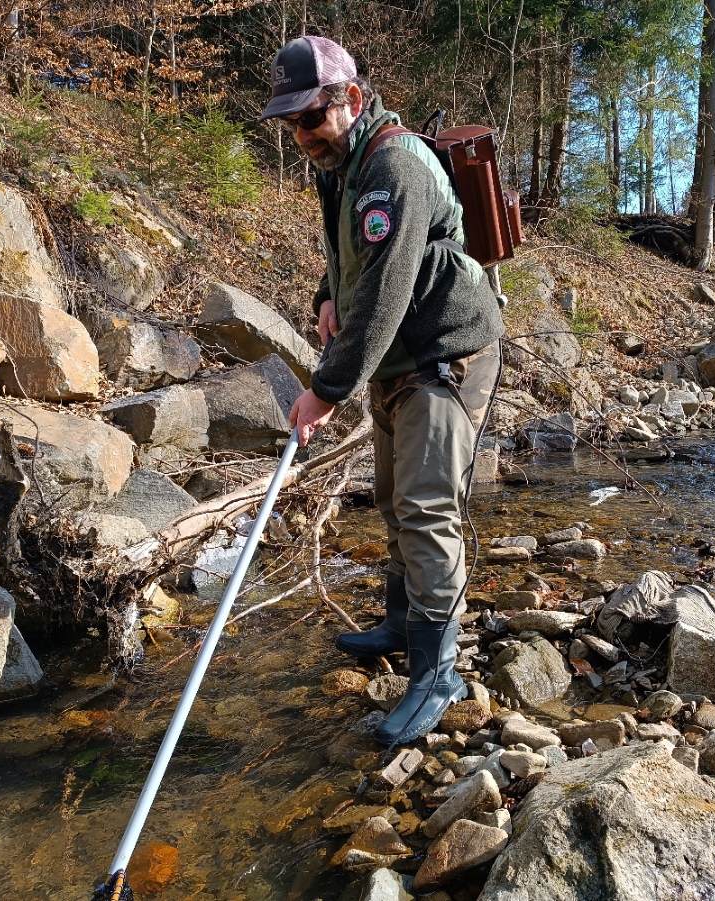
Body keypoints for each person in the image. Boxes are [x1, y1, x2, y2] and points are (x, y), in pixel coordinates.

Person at [260, 36, 505, 746]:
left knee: (427, 510)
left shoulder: (393, 166)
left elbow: (388, 286)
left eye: (312, 117)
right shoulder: (342, 166)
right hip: (397, 359)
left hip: (444, 353)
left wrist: (326, 390)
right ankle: (402, 624)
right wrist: (324, 295)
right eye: (292, 123)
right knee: (395, 499)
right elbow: (353, 256)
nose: (303, 136)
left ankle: (438, 672)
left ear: (352, 100)